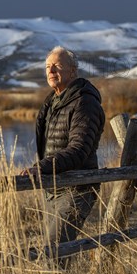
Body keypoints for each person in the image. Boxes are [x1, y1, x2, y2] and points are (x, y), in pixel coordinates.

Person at [21, 46, 105, 245]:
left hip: (76, 188)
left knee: (53, 250)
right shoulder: (52, 102)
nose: (51, 71)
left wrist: (42, 167)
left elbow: (79, 149)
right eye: (48, 66)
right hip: (53, 188)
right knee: (59, 252)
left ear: (73, 71)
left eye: (57, 66)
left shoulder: (85, 102)